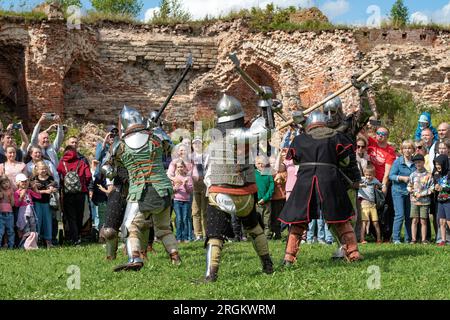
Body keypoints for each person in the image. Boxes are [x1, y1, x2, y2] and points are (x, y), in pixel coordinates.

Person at [202, 94, 274, 282]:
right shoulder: (245, 137)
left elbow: (207, 171)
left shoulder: (218, 142)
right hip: (246, 195)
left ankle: (211, 273)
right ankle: (267, 264)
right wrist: (267, 108)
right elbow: (264, 130)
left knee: (215, 235)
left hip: (220, 193)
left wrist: (267, 108)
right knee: (255, 228)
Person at [279, 110, 362, 266]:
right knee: (341, 219)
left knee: (298, 221)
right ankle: (354, 255)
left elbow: (295, 161)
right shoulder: (336, 137)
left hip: (305, 182)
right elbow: (345, 162)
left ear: (309, 124)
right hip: (330, 180)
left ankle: (289, 258)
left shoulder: (299, 139)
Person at [103, 105, 180, 271]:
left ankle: (135, 258)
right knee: (164, 229)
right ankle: (175, 258)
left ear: (123, 124)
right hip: (164, 188)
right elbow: (173, 149)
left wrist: (114, 169)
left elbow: (107, 170)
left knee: (129, 227)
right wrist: (157, 130)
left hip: (140, 190)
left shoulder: (119, 144)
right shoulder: (155, 137)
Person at [57, 145, 92, 246]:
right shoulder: (81, 162)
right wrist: (83, 183)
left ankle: (74, 238)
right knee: (80, 215)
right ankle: (80, 236)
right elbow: (89, 176)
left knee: (71, 217)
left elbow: (58, 176)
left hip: (68, 194)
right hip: (81, 193)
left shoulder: (62, 163)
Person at [366, 126, 397, 242]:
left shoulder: (390, 151)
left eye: (383, 133)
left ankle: (387, 235)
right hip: (369, 182)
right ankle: (372, 235)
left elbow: (387, 173)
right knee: (370, 209)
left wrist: (383, 186)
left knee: (385, 210)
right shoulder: (371, 142)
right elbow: (361, 134)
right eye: (378, 133)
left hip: (382, 184)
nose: (380, 135)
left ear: (387, 136)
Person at [389, 140, 415, 244]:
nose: (407, 150)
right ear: (402, 150)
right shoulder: (398, 162)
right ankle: (396, 238)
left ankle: (408, 239)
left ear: (413, 149)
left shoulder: (415, 162)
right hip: (398, 191)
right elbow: (391, 176)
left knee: (409, 216)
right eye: (405, 148)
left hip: (410, 193)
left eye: (409, 148)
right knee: (399, 215)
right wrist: (401, 178)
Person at [407, 154, 434, 244]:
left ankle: (423, 239)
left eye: (419, 162)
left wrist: (422, 194)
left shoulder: (428, 175)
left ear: (423, 162)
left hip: (425, 202)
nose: (418, 164)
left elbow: (431, 188)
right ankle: (413, 239)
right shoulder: (412, 175)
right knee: (414, 220)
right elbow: (409, 186)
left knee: (423, 220)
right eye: (416, 162)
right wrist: (412, 191)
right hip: (414, 201)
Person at [31, 161, 58, 248]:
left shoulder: (50, 178)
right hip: (37, 202)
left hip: (47, 203)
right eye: (41, 169)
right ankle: (37, 240)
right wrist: (46, 191)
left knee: (48, 222)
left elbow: (55, 187)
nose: (43, 170)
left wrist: (53, 189)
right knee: (38, 221)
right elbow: (34, 191)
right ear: (37, 170)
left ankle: (48, 241)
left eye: (45, 169)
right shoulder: (34, 179)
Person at [14, 173, 40, 250]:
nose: (24, 183)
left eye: (25, 181)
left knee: (33, 228)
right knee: (26, 228)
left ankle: (32, 245)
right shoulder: (16, 192)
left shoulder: (29, 191)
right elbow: (16, 204)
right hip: (23, 212)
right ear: (18, 183)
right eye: (22, 181)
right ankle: (24, 245)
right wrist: (21, 196)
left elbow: (38, 196)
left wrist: (35, 189)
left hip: (31, 210)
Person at [358, 165, 382, 244]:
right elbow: (355, 185)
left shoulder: (374, 180)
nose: (368, 177)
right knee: (364, 222)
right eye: (367, 175)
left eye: (370, 175)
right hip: (364, 204)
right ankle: (362, 239)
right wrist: (360, 185)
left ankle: (378, 239)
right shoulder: (361, 180)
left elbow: (380, 185)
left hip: (372, 205)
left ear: (374, 174)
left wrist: (380, 186)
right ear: (364, 174)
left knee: (375, 222)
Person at [172, 159, 194, 243]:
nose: (180, 168)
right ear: (176, 168)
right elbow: (171, 190)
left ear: (184, 167)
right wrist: (175, 188)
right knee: (179, 219)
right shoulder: (174, 178)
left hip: (186, 201)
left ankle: (186, 237)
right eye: (178, 167)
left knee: (185, 218)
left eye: (181, 166)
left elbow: (190, 190)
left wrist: (185, 185)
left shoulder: (188, 178)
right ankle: (178, 237)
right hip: (177, 200)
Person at [191, 136, 207, 241]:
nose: (197, 145)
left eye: (199, 143)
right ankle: (198, 234)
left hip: (205, 184)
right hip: (194, 185)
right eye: (195, 143)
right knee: (195, 211)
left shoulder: (206, 156)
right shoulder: (190, 157)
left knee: (205, 211)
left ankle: (206, 233)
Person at [255, 155, 275, 239]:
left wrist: (265, 198)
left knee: (267, 220)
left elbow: (272, 186)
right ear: (255, 164)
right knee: (257, 219)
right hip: (256, 201)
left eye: (262, 163)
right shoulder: (253, 174)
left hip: (266, 201)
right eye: (258, 163)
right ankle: (258, 236)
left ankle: (267, 235)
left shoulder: (268, 173)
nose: (260, 165)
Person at [433, 155, 450, 246]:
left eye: (439, 164)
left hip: (448, 201)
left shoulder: (449, 173)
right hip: (440, 201)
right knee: (441, 221)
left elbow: (447, 186)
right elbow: (436, 183)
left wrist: (443, 187)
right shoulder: (436, 174)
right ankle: (443, 240)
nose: (437, 166)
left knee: (449, 221)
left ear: (444, 163)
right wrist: (435, 186)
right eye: (436, 164)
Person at [0, 175, 15, 249]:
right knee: (0, 231)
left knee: (10, 230)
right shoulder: (0, 192)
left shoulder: (11, 191)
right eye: (3, 183)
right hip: (1, 214)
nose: (6, 184)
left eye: (7, 182)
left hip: (9, 214)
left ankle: (11, 246)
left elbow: (12, 204)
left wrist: (10, 196)